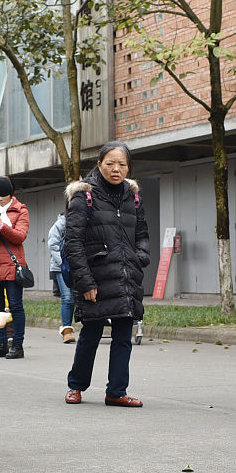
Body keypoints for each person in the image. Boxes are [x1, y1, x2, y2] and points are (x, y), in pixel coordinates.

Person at [64, 141, 149, 407]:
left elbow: (143, 234)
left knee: (124, 335)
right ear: (99, 164)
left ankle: (116, 391)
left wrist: (140, 257)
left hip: (126, 277)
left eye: (122, 164)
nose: (116, 169)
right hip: (96, 277)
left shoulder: (132, 196)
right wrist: (85, 281)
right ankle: (76, 386)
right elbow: (73, 243)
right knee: (91, 333)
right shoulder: (84, 196)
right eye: (110, 163)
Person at [0, 192, 29, 360]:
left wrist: (0, 224)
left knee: (15, 306)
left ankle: (17, 345)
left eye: (3, 194)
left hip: (12, 265)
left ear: (11, 194)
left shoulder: (20, 210)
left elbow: (19, 236)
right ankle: (1, 344)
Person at [47, 209, 75, 343]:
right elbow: (53, 245)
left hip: (77, 267)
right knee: (67, 297)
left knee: (75, 298)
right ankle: (66, 331)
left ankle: (69, 325)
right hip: (61, 267)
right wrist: (64, 263)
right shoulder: (61, 223)